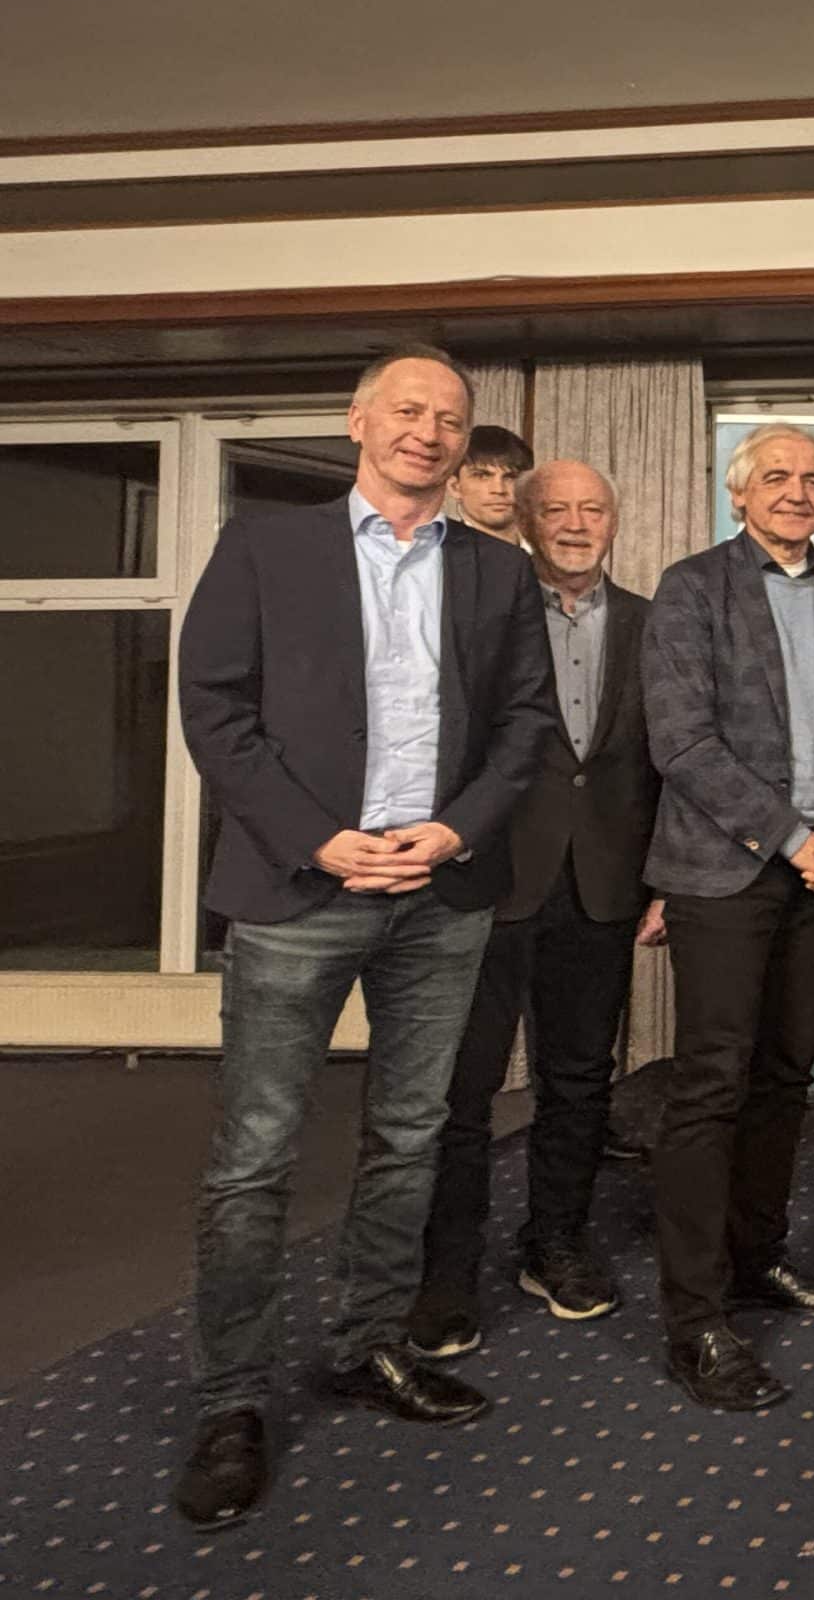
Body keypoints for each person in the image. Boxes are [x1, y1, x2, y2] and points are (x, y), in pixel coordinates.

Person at [172, 346, 552, 1531]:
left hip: (441, 893)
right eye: (407, 410)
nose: (428, 432)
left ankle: (366, 1342)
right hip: (302, 887)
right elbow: (215, 711)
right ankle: (231, 1399)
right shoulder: (264, 547)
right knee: (255, 1155)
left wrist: (453, 830)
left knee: (410, 1135)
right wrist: (320, 840)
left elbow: (526, 724)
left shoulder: (497, 569)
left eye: (449, 418)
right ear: (357, 421)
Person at [643, 423, 814, 1413]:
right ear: (739, 491)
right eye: (777, 477)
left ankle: (757, 1257)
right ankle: (695, 1317)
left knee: (786, 1074)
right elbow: (682, 742)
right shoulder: (691, 589)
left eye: (813, 479)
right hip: (729, 870)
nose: (797, 492)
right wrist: (794, 837)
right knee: (713, 1083)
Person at [410, 460, 666, 1361]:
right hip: (488, 877)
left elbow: (663, 761)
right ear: (524, 520)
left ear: (615, 522)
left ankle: (554, 1244)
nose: (576, 523)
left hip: (604, 884)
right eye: (556, 509)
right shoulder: (482, 611)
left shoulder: (649, 622)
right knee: (464, 1089)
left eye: (593, 509)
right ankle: (445, 1274)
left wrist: (663, 878)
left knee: (580, 1081)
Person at [446, 423, 533, 542]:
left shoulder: (549, 550)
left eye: (511, 477)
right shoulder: (437, 552)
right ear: (455, 487)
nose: (499, 489)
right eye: (482, 476)